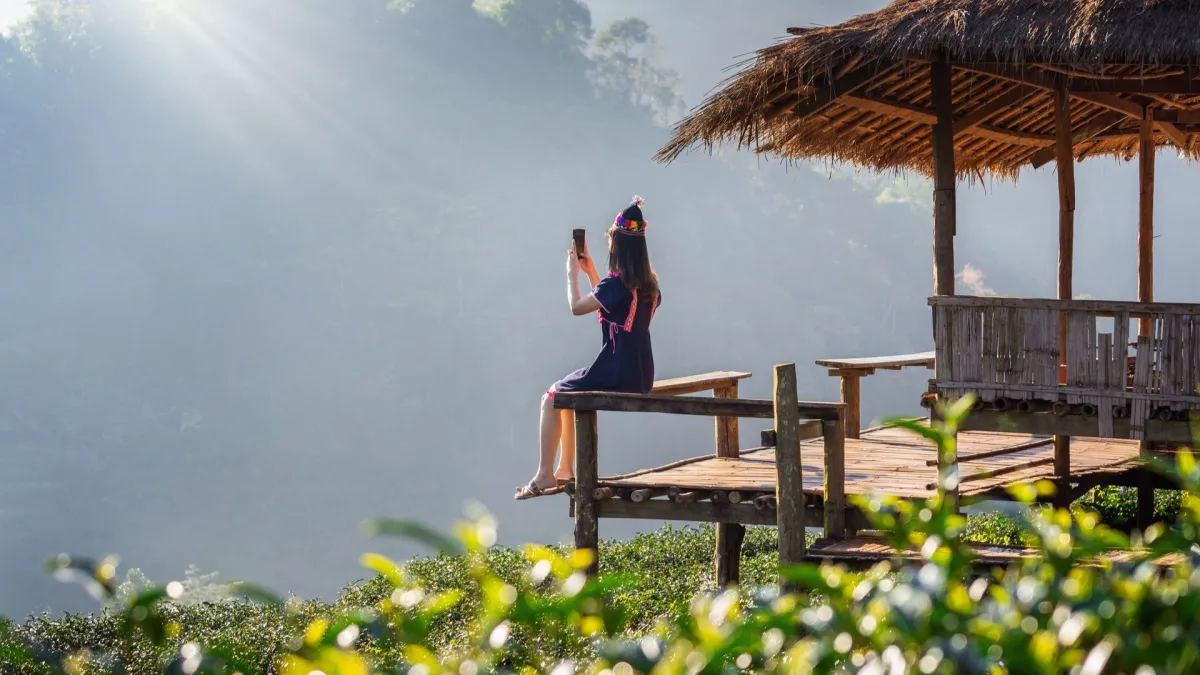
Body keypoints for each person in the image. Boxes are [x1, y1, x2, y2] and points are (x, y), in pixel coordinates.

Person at [515, 196, 662, 500]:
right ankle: (564, 469)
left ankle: (545, 474)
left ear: (617, 246)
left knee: (551, 397)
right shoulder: (650, 287)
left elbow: (577, 307)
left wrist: (571, 276)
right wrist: (592, 272)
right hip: (640, 373)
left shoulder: (616, 284)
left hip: (615, 368)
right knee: (566, 394)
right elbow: (618, 311)